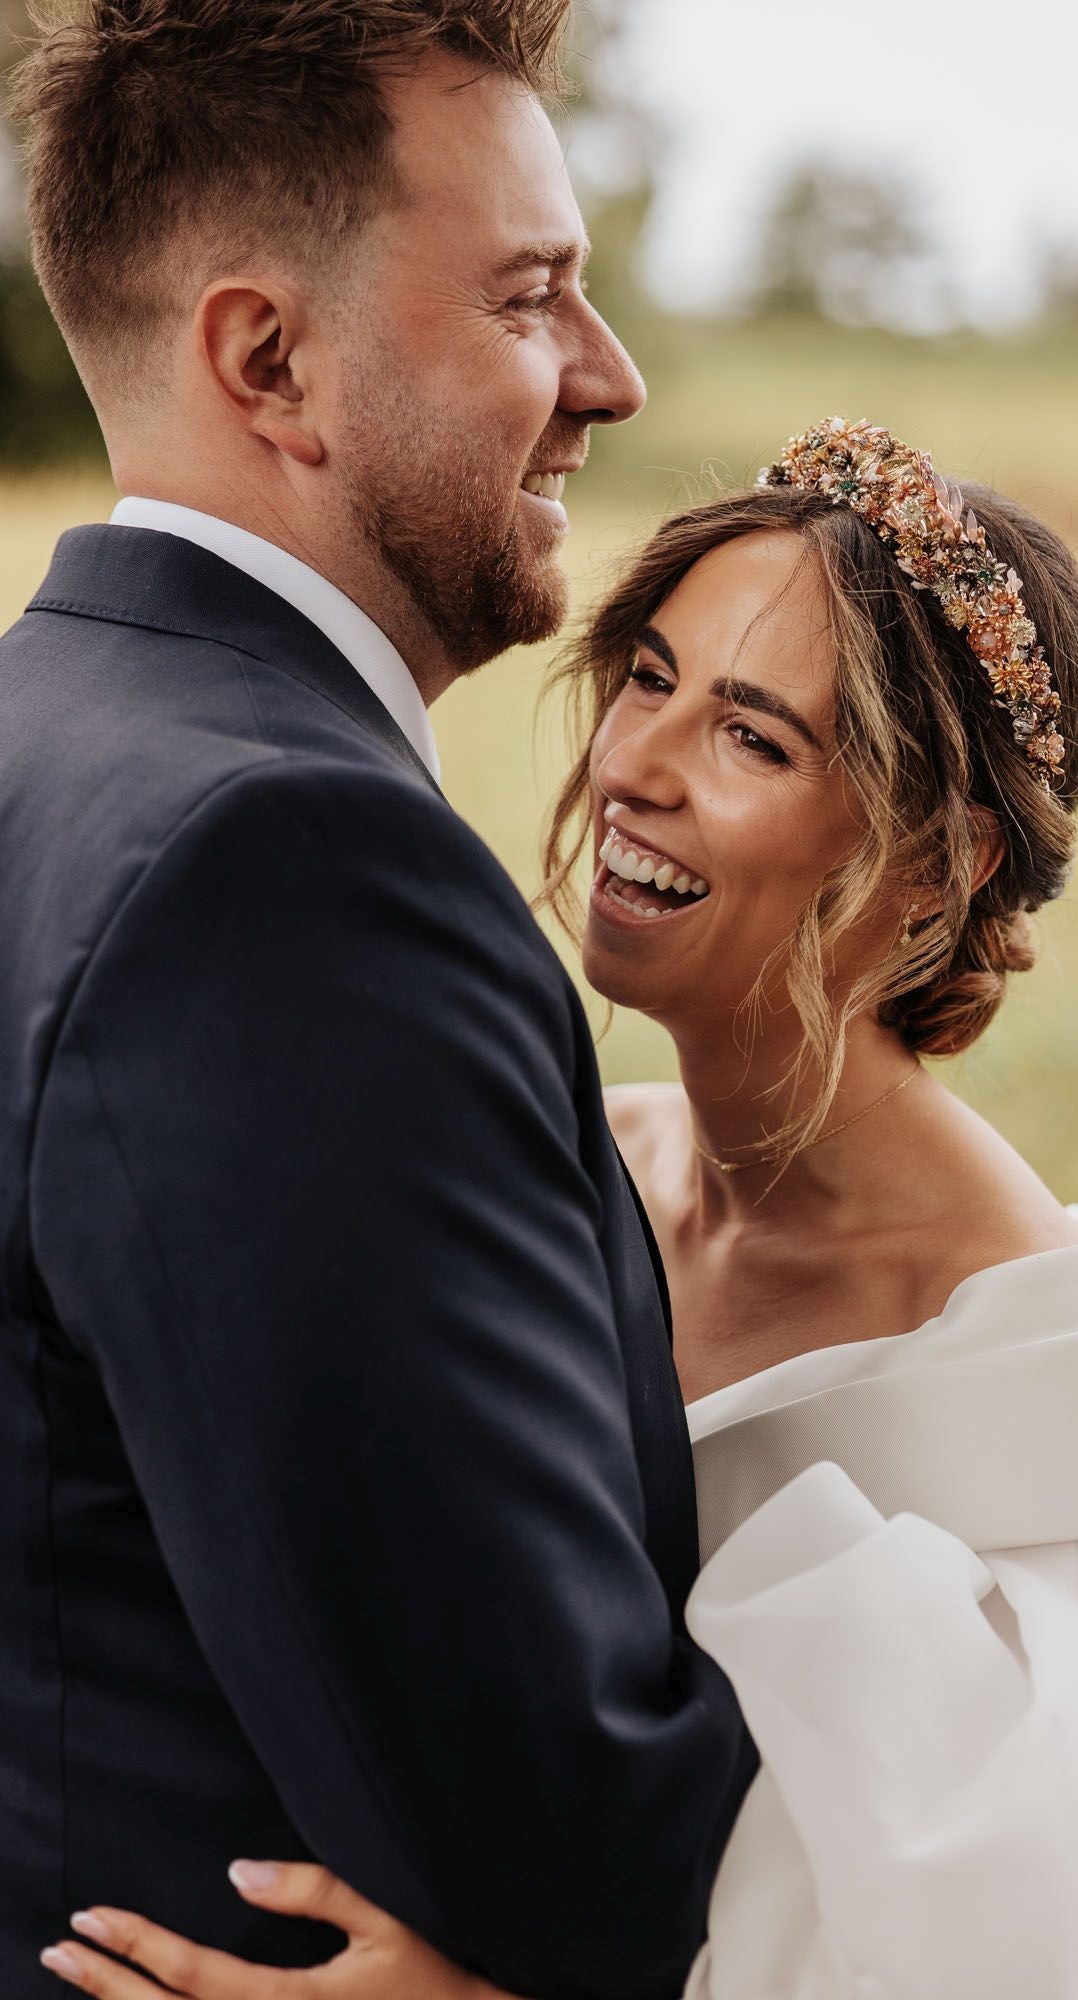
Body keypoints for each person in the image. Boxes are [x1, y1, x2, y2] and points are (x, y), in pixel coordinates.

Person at [43, 421, 1078, 2000]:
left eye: (753, 738)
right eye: (646, 678)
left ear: (940, 863)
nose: (634, 767)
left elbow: (1007, 1938)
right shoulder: (571, 1162)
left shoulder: (1009, 1362)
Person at [1, 6, 758, 1999]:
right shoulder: (292, 875)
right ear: (272, 360)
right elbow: (552, 1822)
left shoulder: (37, 740)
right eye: (531, 298)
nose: (611, 373)